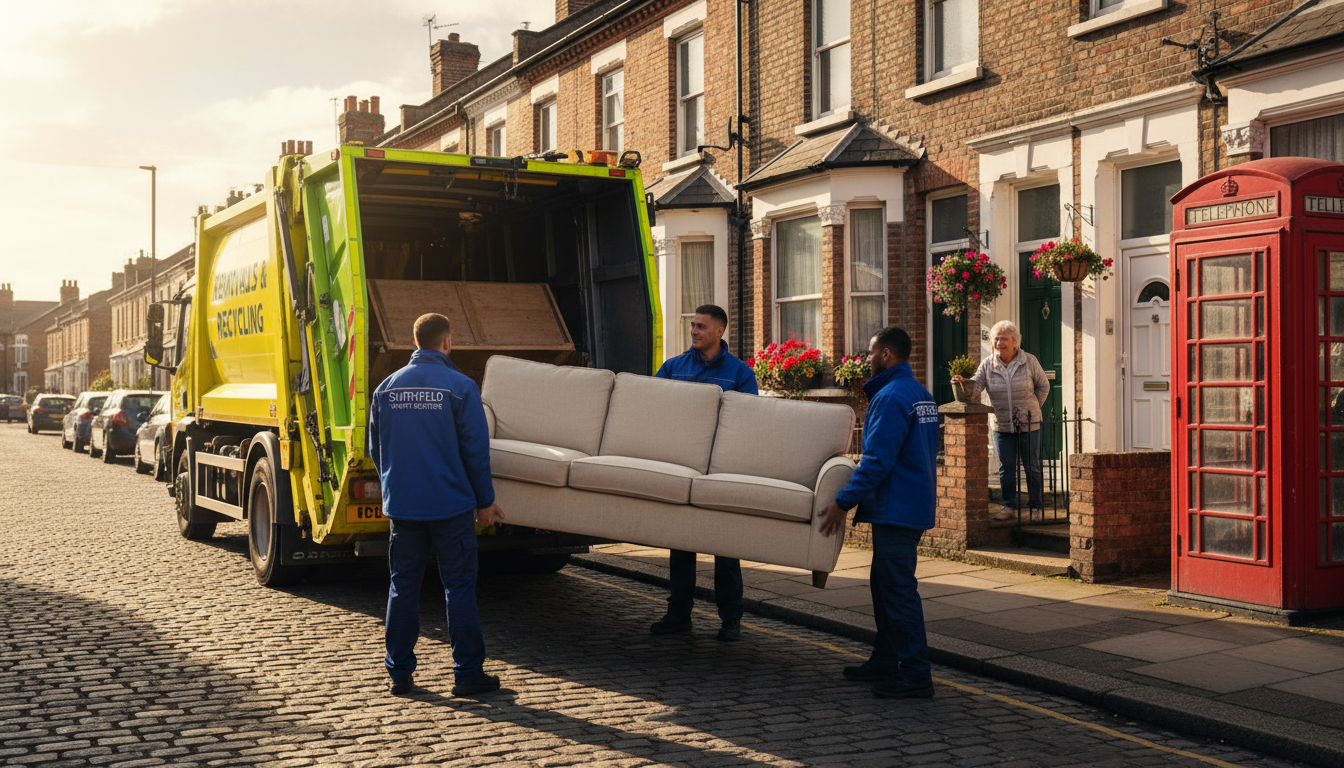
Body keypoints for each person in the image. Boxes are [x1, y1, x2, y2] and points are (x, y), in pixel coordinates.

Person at [367, 312, 505, 697]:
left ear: (415, 342)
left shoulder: (385, 389)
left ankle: (399, 673)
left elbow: (376, 451)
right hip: (451, 508)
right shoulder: (460, 388)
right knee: (458, 587)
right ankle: (467, 674)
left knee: (402, 587)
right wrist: (485, 503)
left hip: (404, 509)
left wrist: (395, 489)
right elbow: (476, 453)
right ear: (447, 342)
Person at [819, 326, 939, 699]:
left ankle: (916, 674)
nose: (865, 359)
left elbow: (877, 461)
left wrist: (843, 501)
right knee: (884, 588)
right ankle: (886, 660)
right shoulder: (921, 395)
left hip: (896, 509)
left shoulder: (889, 397)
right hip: (912, 503)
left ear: (886, 355)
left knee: (899, 592)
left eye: (870, 353)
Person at [650, 303, 758, 642]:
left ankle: (731, 619)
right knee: (681, 544)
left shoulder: (740, 374)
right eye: (693, 325)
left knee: (725, 547)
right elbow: (650, 406)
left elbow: (748, 421)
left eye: (700, 326)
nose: (694, 331)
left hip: (722, 468)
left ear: (719, 331)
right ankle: (678, 614)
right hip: (681, 464)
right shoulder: (672, 368)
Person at [952, 320, 1050, 522]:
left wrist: (1033, 407)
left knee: (1031, 466)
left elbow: (1044, 386)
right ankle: (1008, 507)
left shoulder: (1029, 361)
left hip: (1029, 424)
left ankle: (1036, 508)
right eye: (996, 339)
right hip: (1001, 424)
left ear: (1014, 341)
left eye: (1004, 339)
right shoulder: (988, 364)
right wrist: (963, 383)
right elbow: (975, 388)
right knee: (1006, 467)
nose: (999, 343)